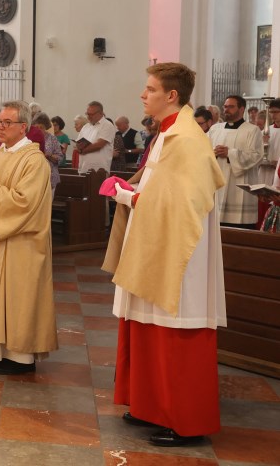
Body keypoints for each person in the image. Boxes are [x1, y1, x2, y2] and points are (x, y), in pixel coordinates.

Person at [102, 62, 225, 447]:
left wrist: (126, 195)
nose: (143, 94)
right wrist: (132, 188)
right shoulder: (167, 133)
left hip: (180, 252)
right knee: (147, 324)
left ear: (171, 96)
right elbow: (160, 185)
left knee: (174, 330)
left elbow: (183, 202)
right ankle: (152, 406)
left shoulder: (186, 138)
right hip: (155, 238)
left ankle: (186, 419)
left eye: (150, 89)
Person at [0, 101, 57, 375]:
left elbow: (25, 203)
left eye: (7, 123)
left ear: (23, 127)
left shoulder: (34, 160)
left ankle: (19, 356)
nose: (0, 127)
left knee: (19, 297)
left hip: (22, 241)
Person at [207, 95, 264, 227]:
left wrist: (230, 153)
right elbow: (203, 151)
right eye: (225, 107)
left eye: (231, 107)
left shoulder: (252, 130)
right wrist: (212, 153)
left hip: (239, 189)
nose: (226, 110)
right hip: (217, 186)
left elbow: (256, 156)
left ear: (241, 109)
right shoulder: (215, 129)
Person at [76, 101, 117, 173]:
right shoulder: (86, 126)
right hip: (84, 167)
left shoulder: (107, 125)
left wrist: (82, 150)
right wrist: (78, 147)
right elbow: (78, 143)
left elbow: (99, 144)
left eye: (91, 114)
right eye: (87, 114)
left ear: (100, 113)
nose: (88, 116)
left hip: (99, 169)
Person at [32, 113, 64, 194]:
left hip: (50, 176)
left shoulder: (52, 138)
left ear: (46, 127)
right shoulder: (30, 138)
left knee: (47, 204)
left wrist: (49, 155)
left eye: (41, 127)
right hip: (33, 175)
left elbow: (60, 157)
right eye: (36, 127)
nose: (38, 129)